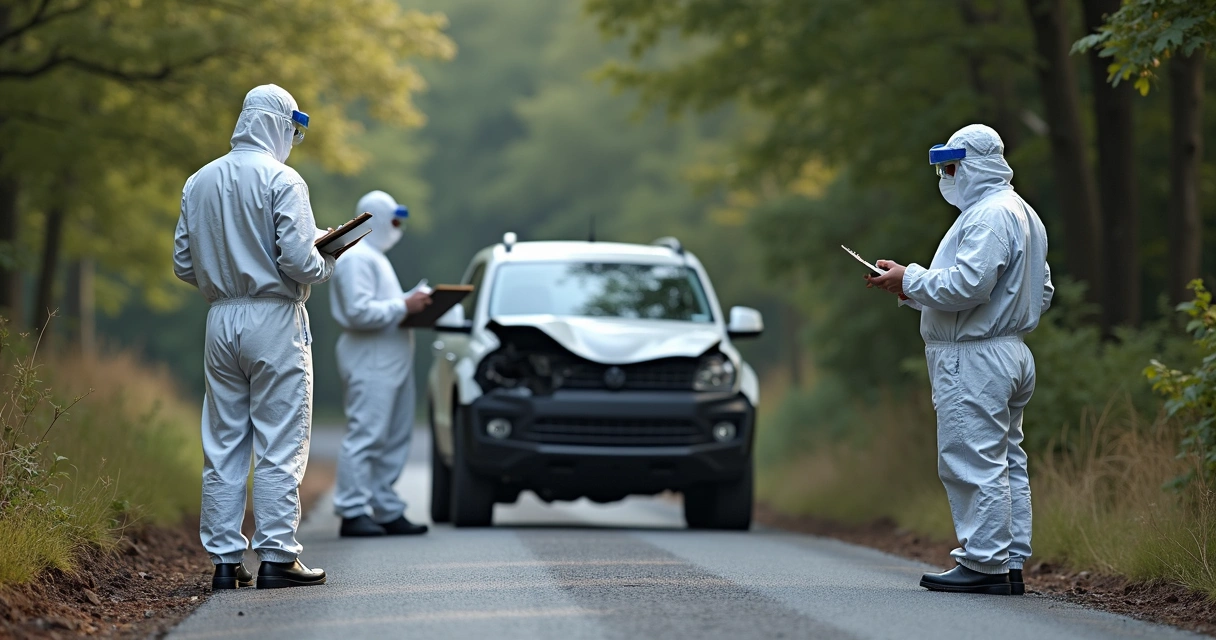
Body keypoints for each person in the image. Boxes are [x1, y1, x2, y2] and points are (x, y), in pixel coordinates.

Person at [865, 124, 1053, 596]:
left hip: (975, 357)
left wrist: (912, 279)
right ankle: (1008, 563)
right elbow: (1041, 290)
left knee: (972, 458)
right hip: (1009, 351)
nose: (948, 175)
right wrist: (908, 287)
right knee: (1006, 460)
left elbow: (968, 286)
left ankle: (983, 565)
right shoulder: (1024, 213)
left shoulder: (988, 215)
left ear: (976, 163)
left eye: (953, 165)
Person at [174, 84, 332, 590]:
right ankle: (278, 557)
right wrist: (327, 256)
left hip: (219, 319)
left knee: (222, 442)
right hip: (274, 317)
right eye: (293, 129)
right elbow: (299, 260)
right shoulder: (283, 179)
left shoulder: (198, 181)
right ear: (280, 125)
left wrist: (225, 275)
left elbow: (182, 262)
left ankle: (224, 562)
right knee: (280, 439)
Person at [330, 190, 433, 537]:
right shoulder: (357, 257)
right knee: (367, 434)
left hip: (390, 359)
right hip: (370, 359)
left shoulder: (375, 256)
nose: (398, 227)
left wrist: (407, 305)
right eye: (394, 220)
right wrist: (405, 305)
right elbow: (358, 312)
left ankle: (385, 505)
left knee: (393, 436)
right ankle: (352, 509)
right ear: (376, 217)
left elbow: (379, 306)